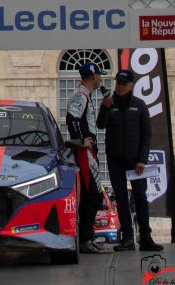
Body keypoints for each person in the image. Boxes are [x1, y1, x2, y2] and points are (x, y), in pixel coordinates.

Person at [96, 68, 162, 252]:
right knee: (122, 199)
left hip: (135, 161)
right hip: (115, 158)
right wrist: (104, 107)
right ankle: (127, 238)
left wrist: (142, 160)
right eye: (118, 83)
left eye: (124, 83)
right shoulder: (110, 104)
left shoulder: (139, 105)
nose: (120, 86)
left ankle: (146, 237)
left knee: (140, 197)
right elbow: (100, 125)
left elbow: (147, 134)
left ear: (131, 85)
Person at [65, 61, 106, 254]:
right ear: (92, 76)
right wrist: (81, 141)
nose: (100, 79)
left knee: (92, 195)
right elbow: (71, 118)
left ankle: (85, 238)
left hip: (87, 150)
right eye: (99, 75)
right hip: (84, 152)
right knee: (94, 195)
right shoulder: (81, 95)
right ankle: (85, 239)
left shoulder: (86, 95)